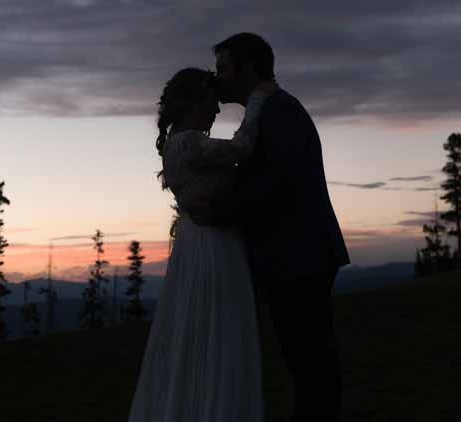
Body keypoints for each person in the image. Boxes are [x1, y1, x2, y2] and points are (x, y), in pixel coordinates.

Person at [193, 32, 351, 422]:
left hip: (299, 255)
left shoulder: (279, 112)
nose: (217, 78)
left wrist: (216, 212)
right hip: (292, 254)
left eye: (223, 69)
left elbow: (274, 183)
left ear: (247, 68)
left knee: (310, 362)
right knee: (305, 361)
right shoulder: (269, 111)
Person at [127, 66, 274, 422]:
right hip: (213, 244)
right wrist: (257, 101)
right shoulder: (188, 143)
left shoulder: (178, 143)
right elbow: (241, 147)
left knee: (201, 328)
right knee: (220, 328)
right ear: (193, 102)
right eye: (211, 101)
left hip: (197, 241)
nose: (217, 110)